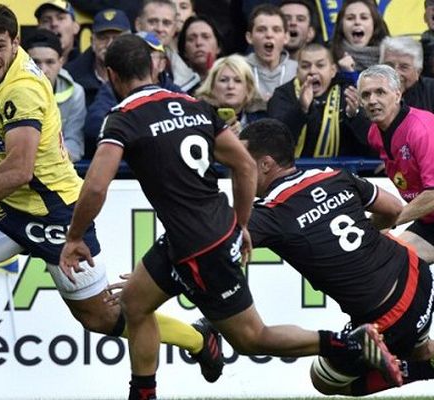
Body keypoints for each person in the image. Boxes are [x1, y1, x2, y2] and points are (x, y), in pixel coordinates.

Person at [0, 5, 225, 400]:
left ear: (16, 43)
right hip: (8, 208)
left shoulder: (25, 89)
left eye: (1, 46)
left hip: (55, 210)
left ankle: (197, 338)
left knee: (101, 317)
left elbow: (18, 169)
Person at [59, 33, 399, 400]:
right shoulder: (194, 105)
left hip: (201, 247)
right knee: (134, 306)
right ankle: (146, 391)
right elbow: (242, 164)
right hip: (193, 235)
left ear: (110, 75)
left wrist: (75, 237)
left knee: (252, 338)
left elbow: (94, 187)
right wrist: (239, 221)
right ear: (156, 66)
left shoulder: (122, 118)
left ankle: (347, 344)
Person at [242, 118, 434, 396]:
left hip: (387, 317)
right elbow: (393, 209)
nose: (239, 171)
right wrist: (363, 232)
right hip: (418, 275)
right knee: (418, 348)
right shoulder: (333, 175)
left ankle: (419, 367)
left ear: (266, 164)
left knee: (323, 379)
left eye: (243, 163)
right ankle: (420, 359)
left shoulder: (268, 213)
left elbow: (220, 245)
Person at [358, 64, 434, 265]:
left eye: (380, 92)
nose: (372, 100)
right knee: (386, 263)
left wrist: (391, 221)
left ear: (398, 94)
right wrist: (363, 230)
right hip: (429, 222)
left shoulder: (422, 130)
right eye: (366, 95)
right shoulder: (375, 133)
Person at [84, 31, 181, 159]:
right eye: (135, 54)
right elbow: (94, 126)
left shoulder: (175, 93)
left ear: (162, 64)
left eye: (148, 55)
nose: (140, 59)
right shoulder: (111, 88)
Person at [267, 43, 372, 158]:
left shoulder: (347, 94)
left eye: (320, 65)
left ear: (333, 70)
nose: (312, 71)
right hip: (292, 171)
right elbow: (276, 142)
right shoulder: (283, 95)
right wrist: (301, 109)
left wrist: (354, 115)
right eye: (305, 66)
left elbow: (369, 144)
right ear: (297, 71)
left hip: (339, 172)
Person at [25, 28, 86, 162]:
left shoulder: (76, 93)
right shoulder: (8, 92)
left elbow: (74, 146)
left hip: (57, 172)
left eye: (50, 62)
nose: (43, 70)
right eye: (35, 62)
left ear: (61, 62)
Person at [65, 8, 131, 107]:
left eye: (117, 38)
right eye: (103, 38)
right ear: (92, 41)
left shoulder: (140, 75)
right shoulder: (70, 77)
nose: (109, 44)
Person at [135, 0, 200, 93]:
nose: (159, 29)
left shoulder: (187, 76)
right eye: (152, 21)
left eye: (166, 23)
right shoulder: (122, 60)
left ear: (174, 28)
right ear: (138, 25)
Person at [194, 53, 266, 135]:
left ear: (248, 88)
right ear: (211, 87)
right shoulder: (198, 118)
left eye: (238, 80)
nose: (230, 86)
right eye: (223, 80)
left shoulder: (263, 118)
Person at [245, 3, 297, 109]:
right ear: (249, 37)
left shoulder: (298, 70)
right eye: (261, 30)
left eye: (276, 30)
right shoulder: (238, 69)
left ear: (286, 37)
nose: (269, 35)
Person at [330, 0, 389, 80]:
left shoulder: (390, 59)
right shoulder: (329, 59)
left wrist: (350, 73)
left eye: (364, 18)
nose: (357, 22)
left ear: (374, 24)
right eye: (350, 18)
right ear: (341, 25)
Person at [380, 35, 434, 113]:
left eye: (404, 67)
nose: (395, 73)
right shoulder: (369, 89)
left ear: (418, 71)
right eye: (389, 65)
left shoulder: (431, 91)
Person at [177, 15, 222, 82]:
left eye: (206, 37)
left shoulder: (231, 81)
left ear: (218, 47)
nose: (198, 43)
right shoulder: (175, 86)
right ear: (184, 51)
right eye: (191, 39)